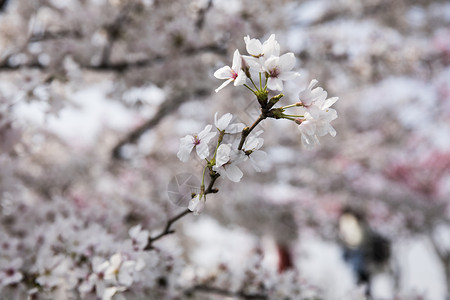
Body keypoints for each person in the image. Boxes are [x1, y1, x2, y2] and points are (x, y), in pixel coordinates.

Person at [338, 206, 391, 297]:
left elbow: (358, 242)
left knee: (362, 283)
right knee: (363, 282)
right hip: (361, 259)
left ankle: (362, 296)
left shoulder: (358, 225)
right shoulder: (361, 225)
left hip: (362, 259)